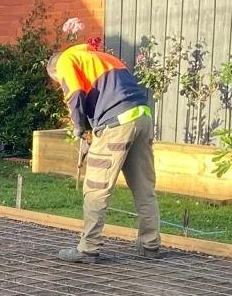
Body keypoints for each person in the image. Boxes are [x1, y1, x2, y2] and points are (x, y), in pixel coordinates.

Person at [48, 42, 161, 263]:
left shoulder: (64, 61)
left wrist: (79, 129)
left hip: (116, 123)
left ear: (54, 71)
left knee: (96, 188)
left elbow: (75, 93)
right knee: (144, 186)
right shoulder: (102, 58)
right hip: (142, 118)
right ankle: (150, 244)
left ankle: (88, 248)